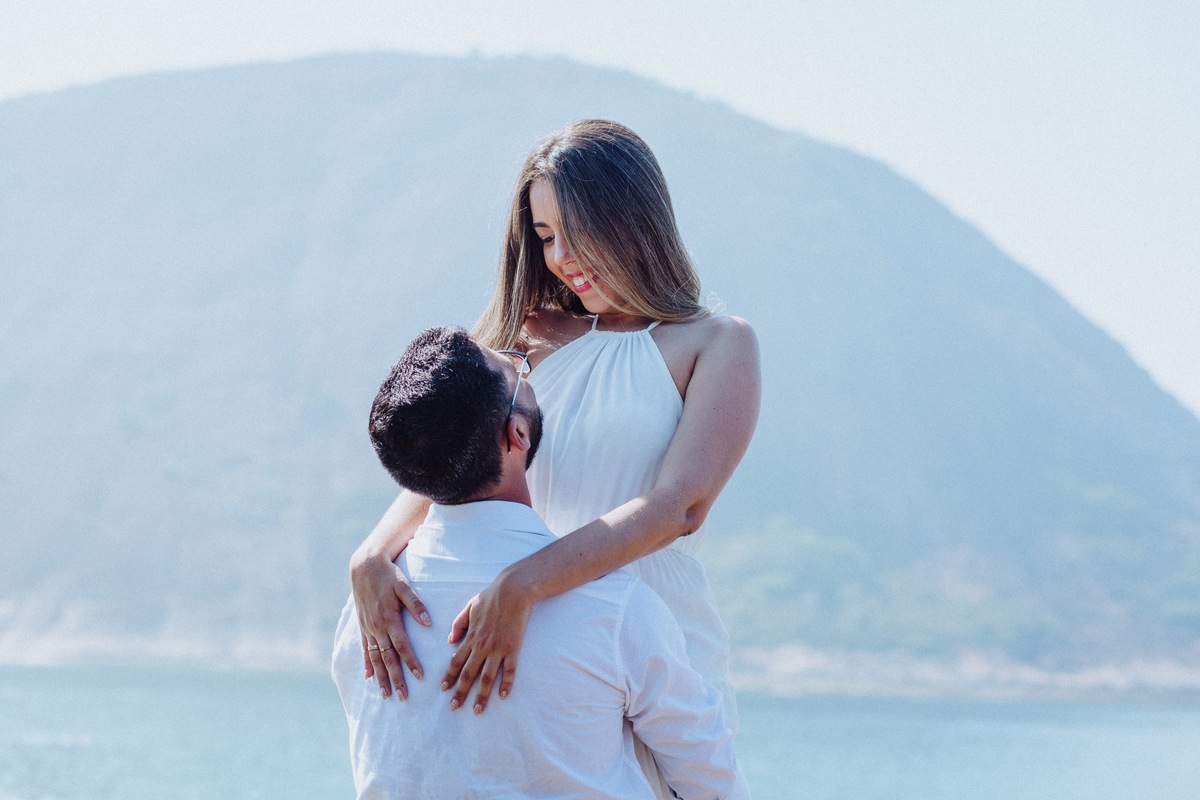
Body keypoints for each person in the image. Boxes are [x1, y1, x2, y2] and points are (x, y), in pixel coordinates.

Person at [349, 120, 760, 797]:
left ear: (633, 217)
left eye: (576, 230)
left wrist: (525, 584)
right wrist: (368, 556)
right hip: (528, 649)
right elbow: (447, 460)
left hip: (651, 640)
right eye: (544, 237)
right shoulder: (518, 342)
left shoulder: (715, 344)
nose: (562, 257)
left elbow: (681, 505)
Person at [332, 325, 749, 799]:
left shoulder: (365, 616)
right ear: (519, 432)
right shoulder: (613, 608)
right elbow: (712, 781)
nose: (524, 368)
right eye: (516, 369)